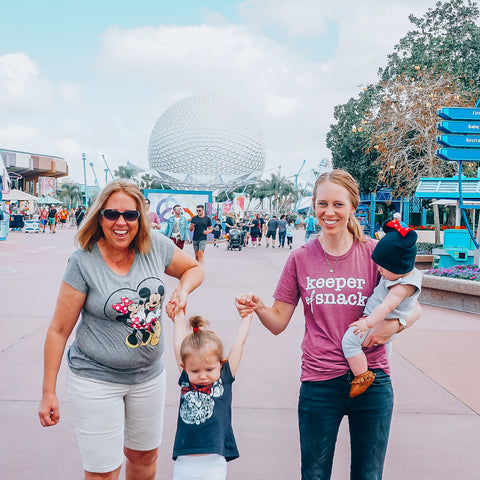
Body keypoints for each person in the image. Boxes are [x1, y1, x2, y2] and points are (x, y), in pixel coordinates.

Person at [235, 169, 421, 480]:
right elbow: (279, 322)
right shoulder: (300, 258)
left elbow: (415, 307)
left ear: (352, 206)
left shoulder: (377, 253)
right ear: (314, 205)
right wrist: (259, 307)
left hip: (373, 380)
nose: (329, 212)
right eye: (322, 204)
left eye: (338, 204)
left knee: (368, 474)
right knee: (314, 473)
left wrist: (395, 326)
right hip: (319, 382)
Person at [38, 180, 204, 480]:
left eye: (130, 215)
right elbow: (59, 330)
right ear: (99, 217)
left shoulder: (155, 247)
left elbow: (194, 269)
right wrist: (48, 392)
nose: (121, 222)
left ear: (141, 218)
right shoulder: (83, 262)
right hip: (95, 378)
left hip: (148, 377)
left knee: (144, 458)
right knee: (103, 472)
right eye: (112, 214)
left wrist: (182, 290)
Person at [342, 219, 421, 397]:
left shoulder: (401, 287)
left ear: (398, 266)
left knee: (349, 342)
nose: (379, 270)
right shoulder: (404, 273)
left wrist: (367, 323)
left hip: (377, 321)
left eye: (383, 268)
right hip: (384, 326)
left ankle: (362, 375)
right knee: (386, 347)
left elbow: (385, 308)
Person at [171, 309, 253, 480]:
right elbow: (179, 346)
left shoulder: (224, 378)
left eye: (209, 369)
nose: (202, 375)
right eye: (195, 370)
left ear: (221, 363)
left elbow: (239, 344)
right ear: (185, 367)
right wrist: (178, 318)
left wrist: (246, 319)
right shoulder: (187, 379)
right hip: (184, 461)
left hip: (214, 462)